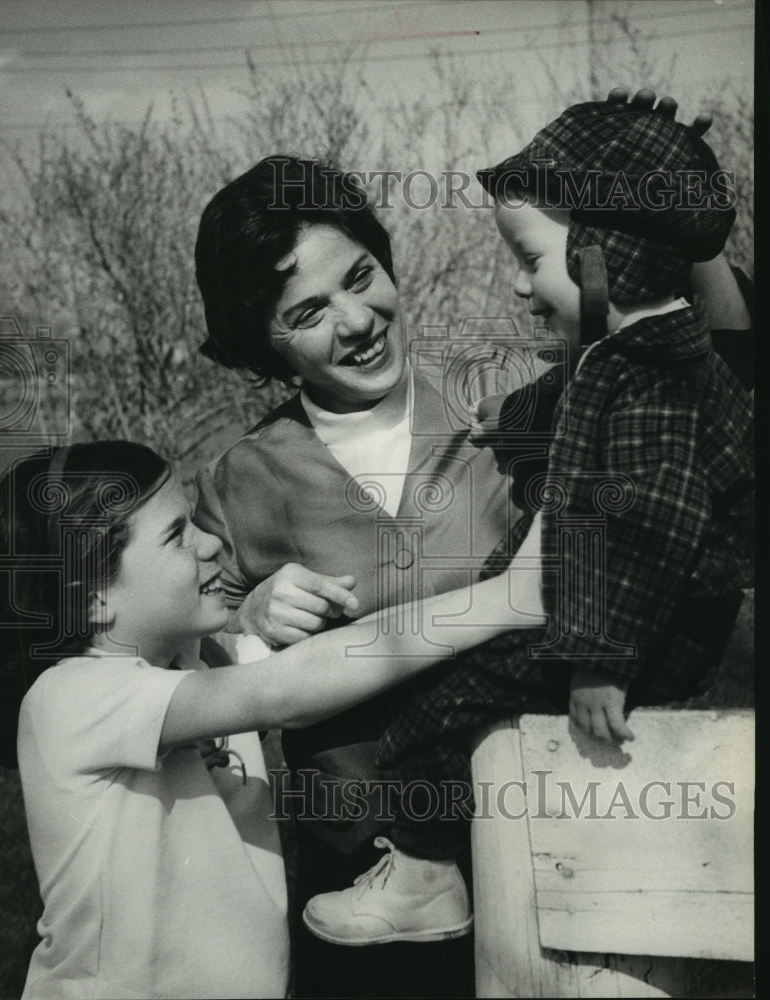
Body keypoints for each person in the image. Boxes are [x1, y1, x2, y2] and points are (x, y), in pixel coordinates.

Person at [301, 94, 754, 945]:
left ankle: (428, 878)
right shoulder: (634, 352)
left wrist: (599, 662)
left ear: (601, 257)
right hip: (637, 615)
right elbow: (568, 396)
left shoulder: (647, 385)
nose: (517, 281)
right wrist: (507, 422)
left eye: (531, 257)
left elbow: (647, 530)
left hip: (645, 628)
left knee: (431, 711)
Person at [0, 440, 542, 1000]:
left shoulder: (196, 662)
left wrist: (257, 617)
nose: (210, 543)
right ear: (92, 601)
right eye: (177, 534)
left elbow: (317, 666)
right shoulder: (69, 698)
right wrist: (504, 600)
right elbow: (289, 690)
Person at [192, 154, 514, 996]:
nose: (357, 320)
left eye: (362, 277)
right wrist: (245, 622)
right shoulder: (242, 478)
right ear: (262, 341)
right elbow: (165, 662)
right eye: (307, 311)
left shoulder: (507, 400)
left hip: (538, 834)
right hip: (355, 884)